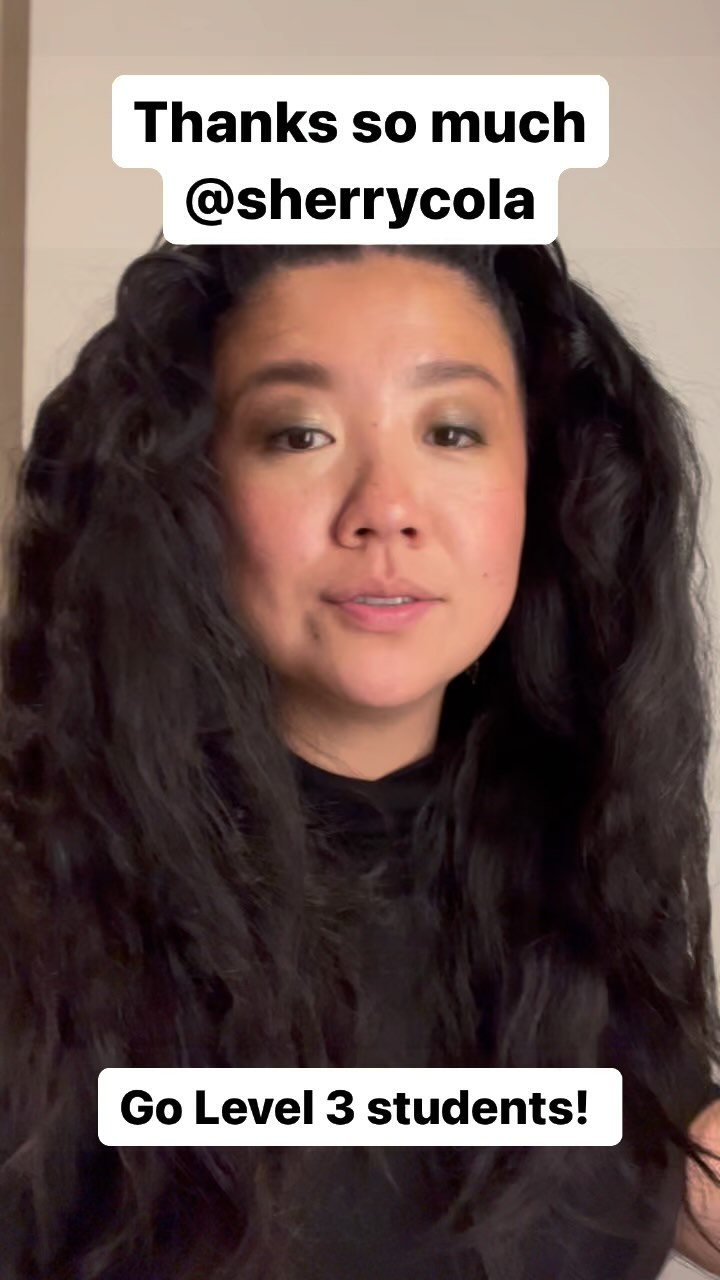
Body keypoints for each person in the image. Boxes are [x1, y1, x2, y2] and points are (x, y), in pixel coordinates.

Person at [1, 237, 719, 1280]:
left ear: (545, 484)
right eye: (300, 433)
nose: (386, 507)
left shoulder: (579, 880)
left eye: (451, 431)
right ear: (190, 489)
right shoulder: (34, 899)